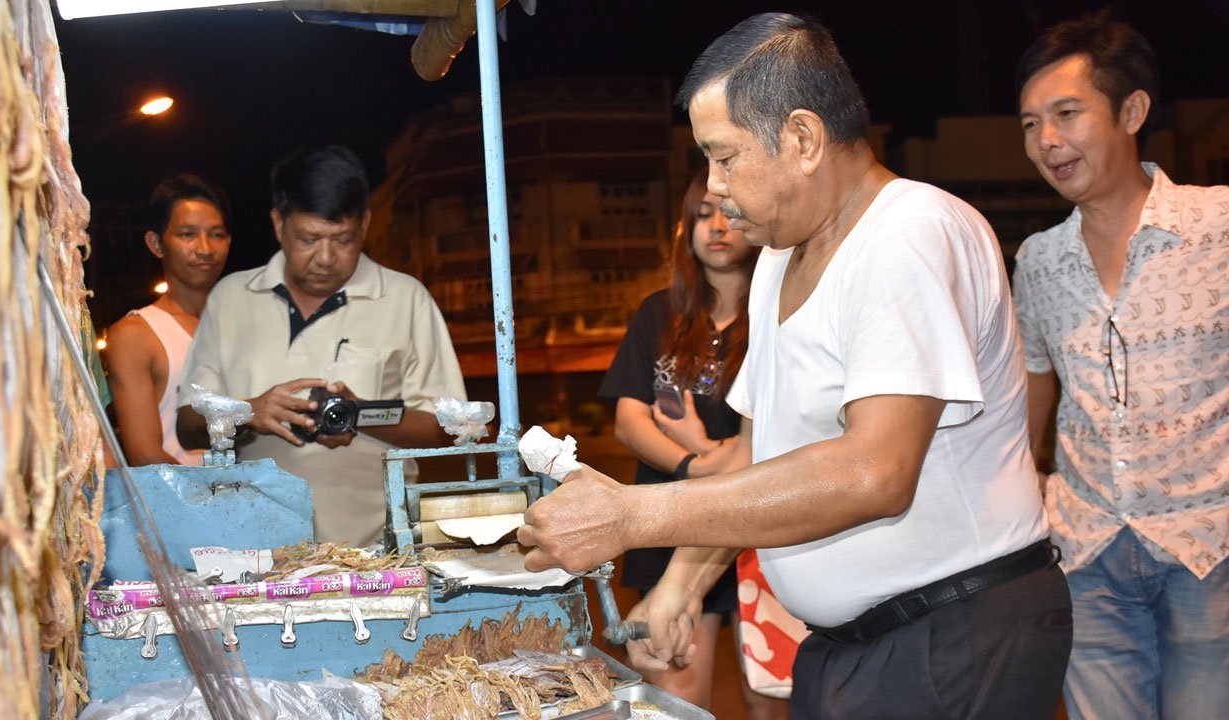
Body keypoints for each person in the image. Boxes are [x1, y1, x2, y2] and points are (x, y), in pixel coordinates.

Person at [519, 13, 1071, 719]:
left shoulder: (908, 233)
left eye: (725, 157)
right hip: (853, 644)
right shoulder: (778, 260)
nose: (713, 188)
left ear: (804, 138)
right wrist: (683, 584)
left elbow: (874, 471)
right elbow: (760, 453)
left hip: (953, 636)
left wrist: (634, 515)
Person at [1012, 13, 1229, 720]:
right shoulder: (1038, 261)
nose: (1047, 141)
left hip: (1209, 548)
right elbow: (1029, 412)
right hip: (1088, 552)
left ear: (1131, 111)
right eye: (1030, 123)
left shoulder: (1218, 226)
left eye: (1067, 114)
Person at [175, 145, 466, 547]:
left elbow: (444, 430)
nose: (326, 258)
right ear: (278, 224)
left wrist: (358, 414)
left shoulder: (406, 299)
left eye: (343, 239)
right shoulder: (231, 298)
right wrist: (248, 413)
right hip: (256, 554)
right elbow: (187, 426)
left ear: (365, 224)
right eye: (309, 239)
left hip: (378, 552)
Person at [599, 167, 786, 717]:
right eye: (701, 214)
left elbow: (773, 434)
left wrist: (716, 459)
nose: (717, 226)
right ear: (684, 229)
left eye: (728, 211)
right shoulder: (658, 312)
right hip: (671, 526)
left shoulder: (780, 311)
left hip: (768, 526)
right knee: (674, 698)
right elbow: (629, 421)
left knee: (770, 696)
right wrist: (695, 465)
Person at [104, 174, 232, 467]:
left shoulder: (246, 325)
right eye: (187, 234)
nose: (205, 249)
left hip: (253, 504)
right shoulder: (136, 334)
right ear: (156, 243)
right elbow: (145, 455)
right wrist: (221, 501)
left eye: (216, 234)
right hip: (181, 508)